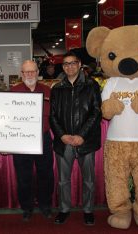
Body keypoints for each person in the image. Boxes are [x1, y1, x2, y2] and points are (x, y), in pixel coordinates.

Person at [49, 51, 102, 225]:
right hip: (63, 142)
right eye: (65, 64)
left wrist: (81, 135)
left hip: (85, 141)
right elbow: (53, 116)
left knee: (88, 180)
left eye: (73, 63)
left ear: (79, 65)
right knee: (63, 180)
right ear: (62, 67)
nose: (69, 66)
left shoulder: (91, 85)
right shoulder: (57, 89)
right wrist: (62, 135)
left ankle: (88, 210)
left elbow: (96, 112)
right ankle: (64, 209)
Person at [10, 60, 54, 221]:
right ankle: (27, 207)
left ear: (37, 73)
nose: (30, 75)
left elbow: (54, 116)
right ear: (21, 74)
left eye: (33, 71)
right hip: (21, 140)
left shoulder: (47, 91)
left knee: (46, 175)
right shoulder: (13, 92)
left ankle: (45, 205)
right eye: (26, 72)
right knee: (23, 176)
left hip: (43, 138)